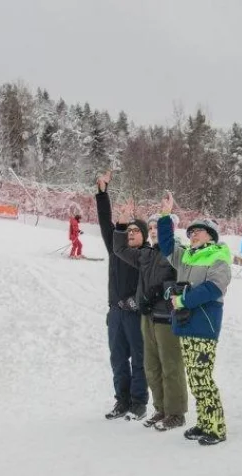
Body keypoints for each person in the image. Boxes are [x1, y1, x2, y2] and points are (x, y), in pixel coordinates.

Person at [158, 192, 232, 445]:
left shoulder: (218, 255)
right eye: (191, 232)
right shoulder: (187, 255)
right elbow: (166, 245)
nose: (193, 235)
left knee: (203, 377)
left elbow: (214, 288)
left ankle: (216, 428)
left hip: (204, 324)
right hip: (186, 323)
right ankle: (203, 423)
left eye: (199, 231)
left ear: (211, 235)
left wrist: (183, 300)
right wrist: (166, 215)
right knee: (194, 377)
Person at [113, 211, 189, 431]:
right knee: (152, 366)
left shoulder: (178, 254)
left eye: (159, 227)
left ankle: (176, 413)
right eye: (152, 228)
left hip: (167, 318)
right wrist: (121, 226)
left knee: (170, 366)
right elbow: (119, 249)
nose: (154, 231)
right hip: (148, 318)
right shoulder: (145, 254)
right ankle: (161, 409)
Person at [95, 171, 148, 421]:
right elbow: (106, 222)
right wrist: (102, 192)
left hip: (136, 314)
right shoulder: (116, 250)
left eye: (136, 231)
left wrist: (136, 301)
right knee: (118, 360)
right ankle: (122, 400)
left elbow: (152, 285)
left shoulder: (147, 256)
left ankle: (139, 402)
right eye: (128, 230)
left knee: (139, 359)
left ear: (144, 236)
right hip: (115, 313)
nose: (131, 233)